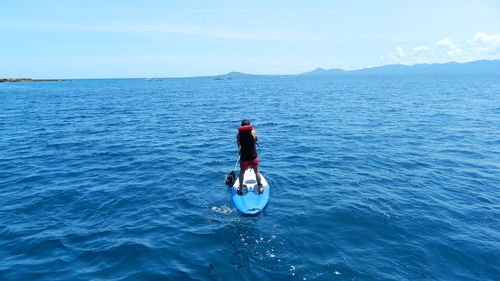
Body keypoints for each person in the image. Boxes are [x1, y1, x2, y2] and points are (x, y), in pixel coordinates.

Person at [237, 119, 263, 195]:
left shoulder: (238, 135)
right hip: (253, 156)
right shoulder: (253, 132)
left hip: (244, 156)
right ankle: (260, 187)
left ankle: (241, 189)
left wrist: (240, 151)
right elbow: (257, 139)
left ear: (241, 126)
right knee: (256, 171)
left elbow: (239, 146)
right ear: (249, 125)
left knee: (242, 171)